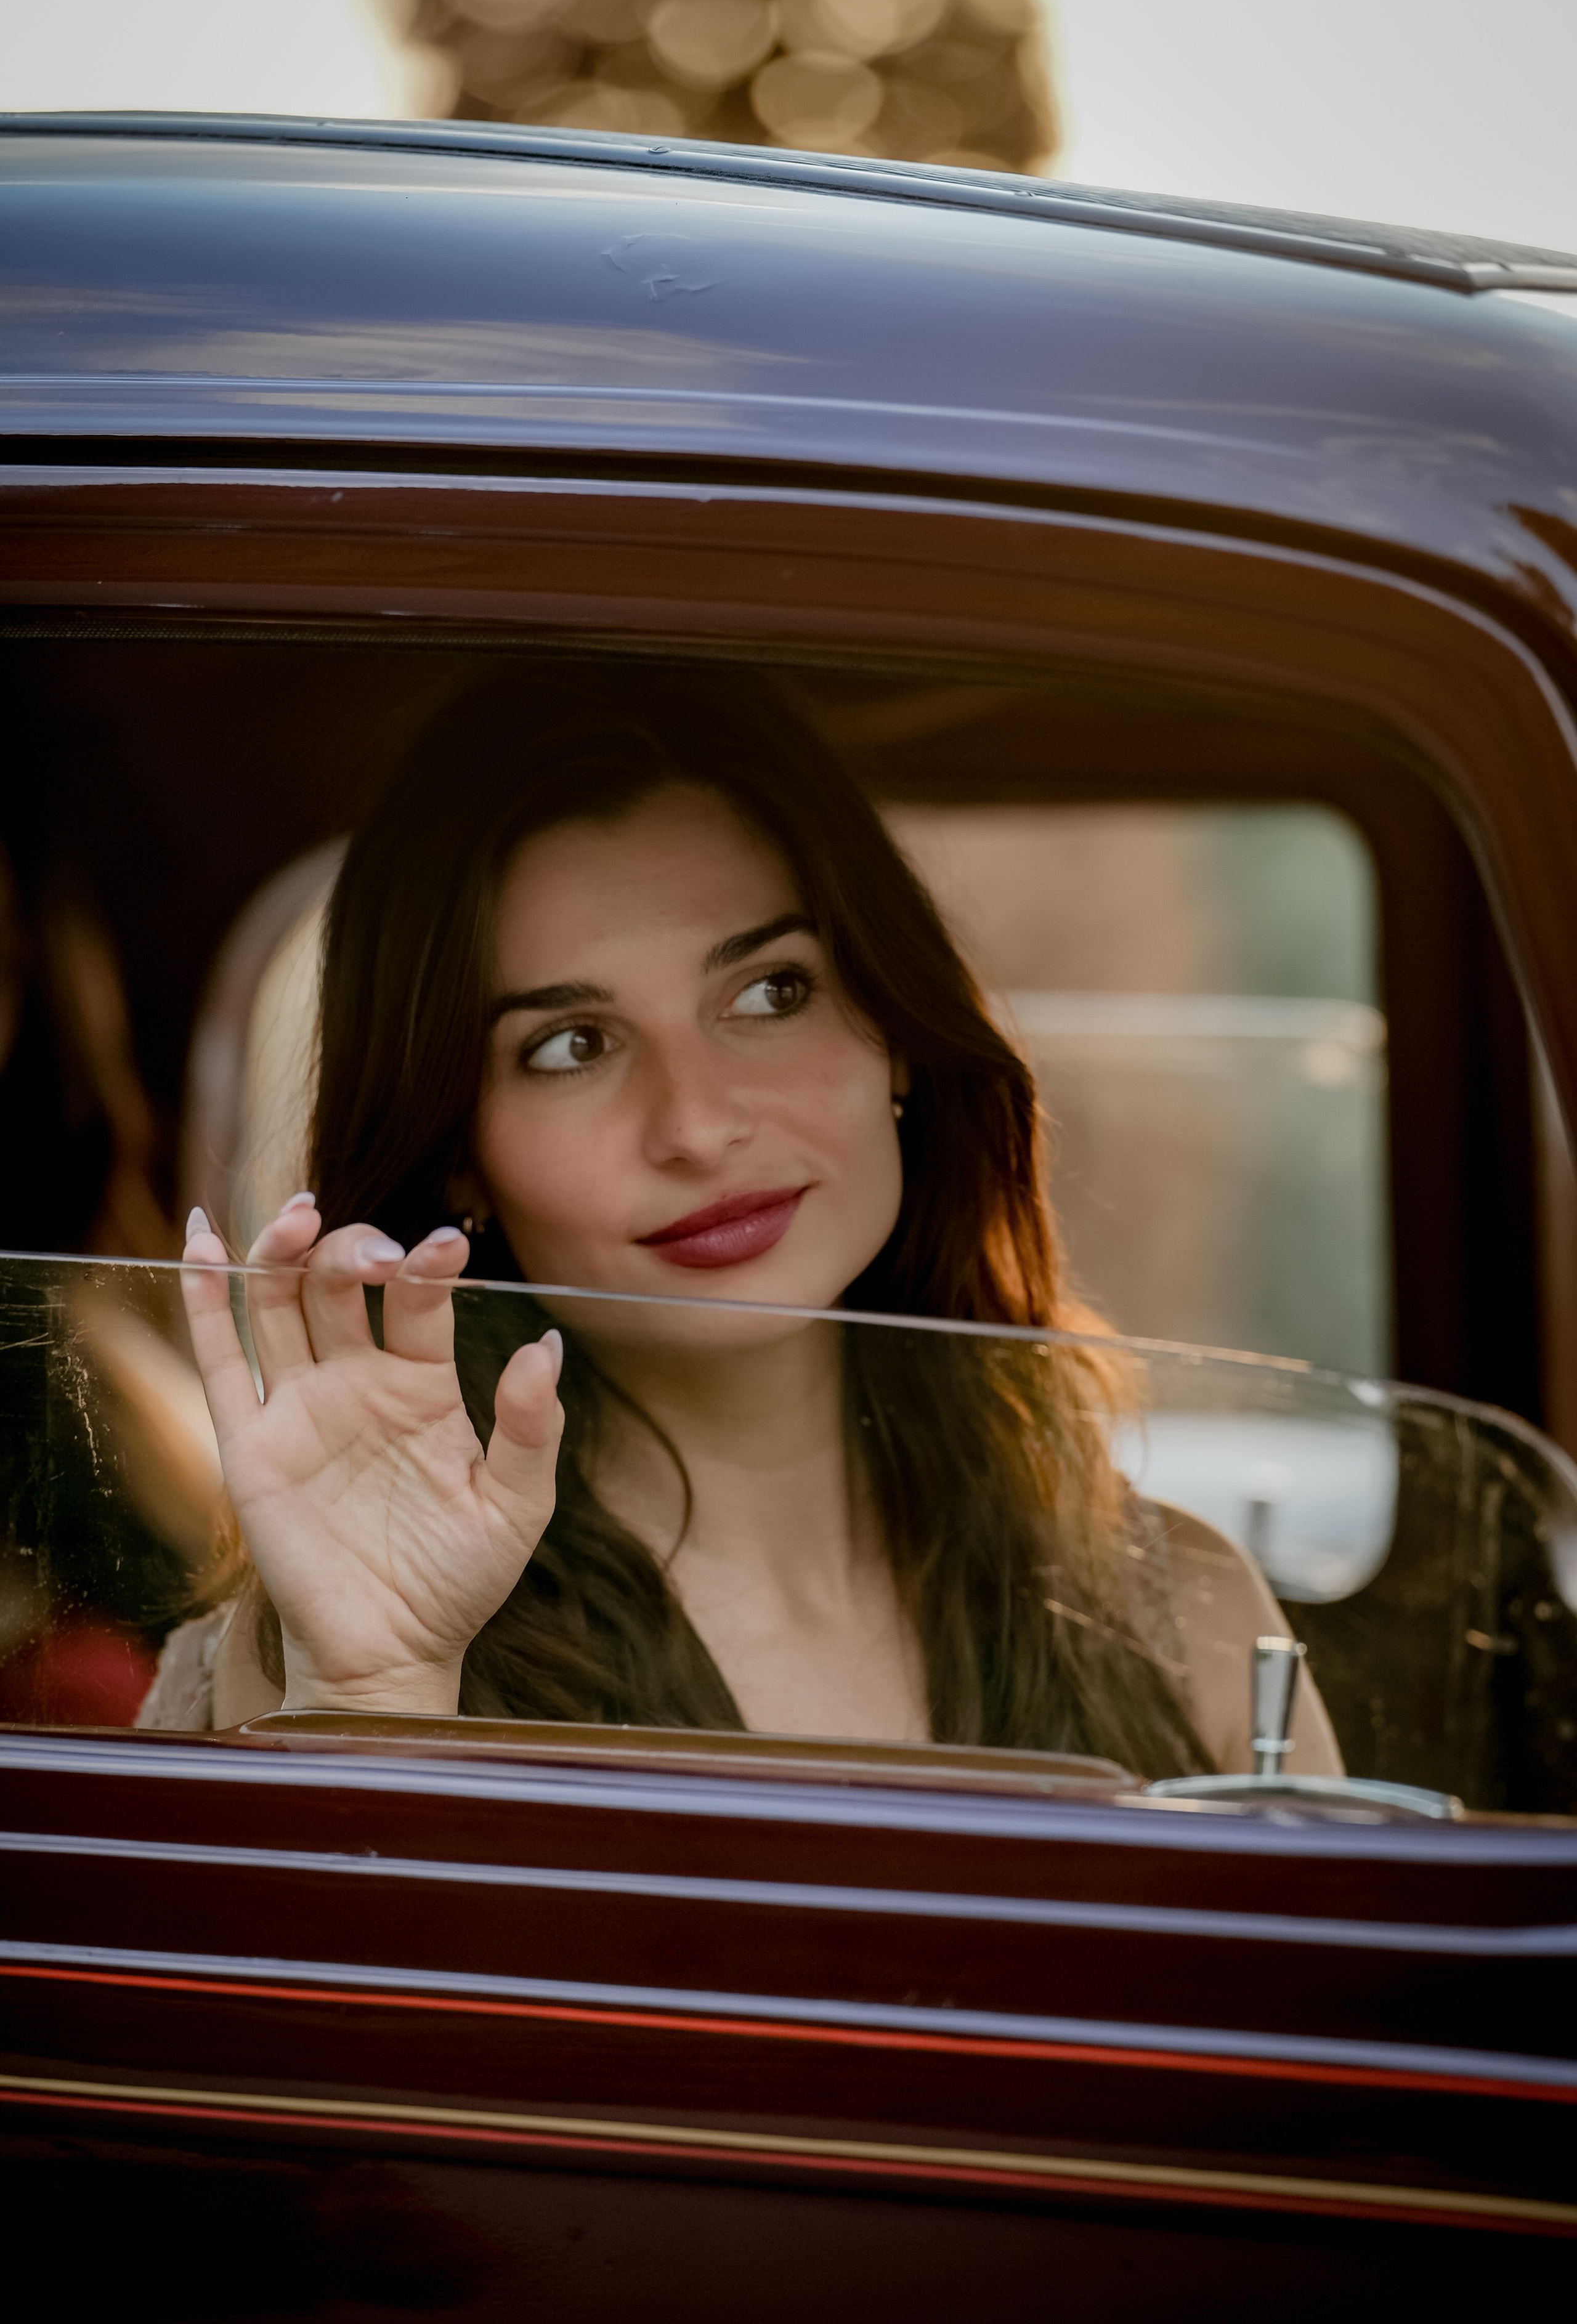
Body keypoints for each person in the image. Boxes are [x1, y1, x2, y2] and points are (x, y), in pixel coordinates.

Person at [147, 669, 1339, 1779]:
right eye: (572, 1047)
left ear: (895, 1036)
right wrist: (383, 1692)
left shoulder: (1187, 1622)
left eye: (770, 992)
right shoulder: (319, 1653)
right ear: (459, 1155)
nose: (698, 1124)